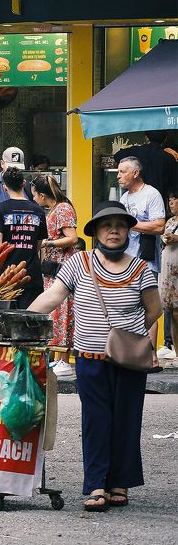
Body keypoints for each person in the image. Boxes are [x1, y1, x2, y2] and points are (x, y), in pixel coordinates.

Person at [28, 202, 161, 511]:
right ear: (96, 232)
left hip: (128, 359)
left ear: (128, 231)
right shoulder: (79, 263)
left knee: (127, 420)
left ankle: (120, 483)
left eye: (119, 225)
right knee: (96, 421)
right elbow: (54, 296)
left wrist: (130, 334)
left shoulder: (141, 268)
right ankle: (97, 485)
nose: (113, 230)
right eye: (106, 225)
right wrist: (24, 317)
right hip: (89, 356)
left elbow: (154, 309)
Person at [31, 174, 80, 379]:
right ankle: (57, 358)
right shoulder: (54, 209)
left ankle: (63, 359)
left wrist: (47, 243)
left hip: (63, 267)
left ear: (42, 195)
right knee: (56, 311)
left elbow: (72, 238)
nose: (34, 199)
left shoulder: (63, 209)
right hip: (53, 268)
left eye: (35, 195)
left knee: (63, 310)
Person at [0, 167, 48, 310]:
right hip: (31, 275)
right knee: (29, 323)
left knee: (5, 324)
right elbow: (38, 245)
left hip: (6, 277)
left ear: (4, 187)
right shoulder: (38, 211)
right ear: (24, 182)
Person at [117, 156, 166, 272]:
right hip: (125, 260)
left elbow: (160, 226)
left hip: (146, 263)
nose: (118, 176)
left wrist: (127, 224)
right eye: (118, 172)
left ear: (135, 173)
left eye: (122, 172)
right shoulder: (124, 197)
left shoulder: (151, 194)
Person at [114, 131, 178, 202]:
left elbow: (117, 156)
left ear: (146, 138)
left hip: (136, 197)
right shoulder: (168, 157)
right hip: (159, 200)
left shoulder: (136, 151)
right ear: (165, 139)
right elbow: (174, 182)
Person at [158, 190, 178, 362]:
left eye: (174, 199)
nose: (171, 203)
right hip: (168, 267)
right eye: (169, 200)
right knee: (171, 311)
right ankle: (175, 351)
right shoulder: (170, 221)